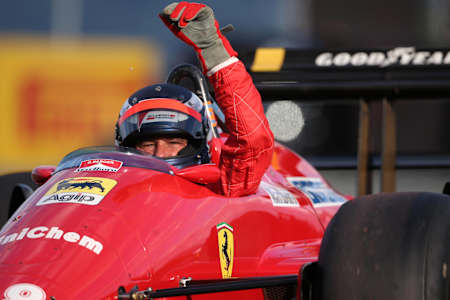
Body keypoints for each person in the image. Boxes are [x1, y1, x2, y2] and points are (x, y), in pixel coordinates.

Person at [115, 2, 274, 197]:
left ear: (198, 146)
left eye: (173, 142)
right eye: (147, 145)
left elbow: (252, 139)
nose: (160, 154)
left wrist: (212, 49)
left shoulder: (219, 188)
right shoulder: (117, 192)